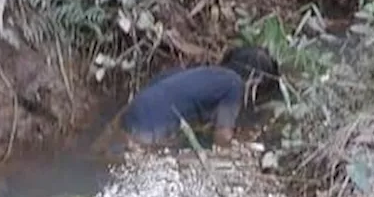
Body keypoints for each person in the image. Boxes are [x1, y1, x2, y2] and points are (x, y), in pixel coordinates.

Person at [114, 45, 281, 147]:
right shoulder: (234, 83)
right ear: (254, 84)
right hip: (147, 134)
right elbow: (222, 139)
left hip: (127, 119)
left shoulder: (193, 73)